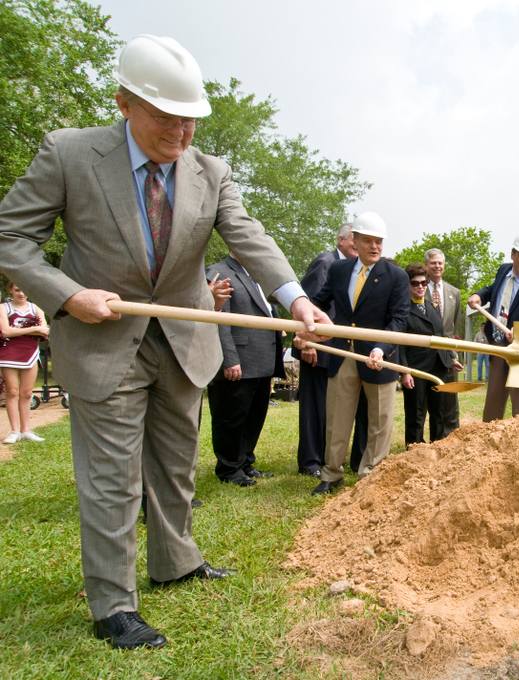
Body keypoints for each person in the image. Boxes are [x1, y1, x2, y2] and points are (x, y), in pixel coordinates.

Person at [0, 36, 330, 649]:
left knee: (176, 465)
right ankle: (113, 604)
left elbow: (248, 237)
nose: (181, 132)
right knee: (112, 478)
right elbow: (10, 236)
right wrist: (68, 294)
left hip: (184, 341)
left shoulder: (211, 171)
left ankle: (175, 561)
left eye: (191, 119)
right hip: (102, 341)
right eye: (166, 117)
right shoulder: (70, 154)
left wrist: (297, 301)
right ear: (125, 102)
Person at [309, 212, 409, 494]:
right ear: (354, 240)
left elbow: (398, 320)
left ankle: (371, 475)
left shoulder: (397, 277)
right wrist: (304, 320)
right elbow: (319, 302)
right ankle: (331, 475)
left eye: (379, 242)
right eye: (368, 241)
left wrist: (381, 348)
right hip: (343, 356)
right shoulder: (339, 270)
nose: (375, 247)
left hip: (379, 358)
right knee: (337, 419)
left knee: (380, 422)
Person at [294, 223, 367, 478]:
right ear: (341, 240)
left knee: (329, 407)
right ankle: (310, 461)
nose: (357, 246)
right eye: (354, 241)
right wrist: (309, 343)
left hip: (335, 349)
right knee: (314, 407)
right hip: (316, 347)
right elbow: (311, 304)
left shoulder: (351, 269)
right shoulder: (325, 262)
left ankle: (324, 456)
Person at [205, 254, 284, 486]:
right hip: (238, 359)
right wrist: (229, 358)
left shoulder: (258, 274)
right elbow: (218, 318)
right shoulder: (219, 271)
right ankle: (229, 469)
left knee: (254, 415)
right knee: (231, 416)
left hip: (261, 360)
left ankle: (245, 461)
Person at [469, 230, 519, 420]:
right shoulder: (503, 270)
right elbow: (493, 290)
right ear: (512, 254)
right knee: (493, 402)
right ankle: (489, 439)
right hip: (497, 347)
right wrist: (479, 295)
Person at [400, 263, 460, 445]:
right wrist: (405, 371)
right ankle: (414, 450)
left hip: (438, 367)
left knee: (439, 411)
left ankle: (438, 448)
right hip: (416, 369)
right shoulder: (402, 309)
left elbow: (441, 336)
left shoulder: (432, 306)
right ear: (407, 285)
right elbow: (399, 343)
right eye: (415, 283)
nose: (420, 287)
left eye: (423, 283)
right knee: (416, 414)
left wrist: (451, 359)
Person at [0, 282, 48, 443]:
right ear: (10, 290)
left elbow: (45, 330)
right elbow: (5, 331)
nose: (21, 293)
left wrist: (19, 331)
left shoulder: (35, 308)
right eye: (17, 290)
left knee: (27, 393)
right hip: (8, 353)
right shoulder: (3, 308)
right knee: (12, 392)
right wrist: (32, 329)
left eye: (24, 290)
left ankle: (26, 430)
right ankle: (14, 431)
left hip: (31, 353)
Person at [424, 248, 462, 437]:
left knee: (450, 399)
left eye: (440, 263)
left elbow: (452, 328)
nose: (437, 266)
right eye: (433, 263)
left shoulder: (454, 293)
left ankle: (452, 438)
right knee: (430, 401)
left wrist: (453, 354)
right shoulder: (418, 288)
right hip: (425, 352)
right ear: (426, 266)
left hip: (447, 354)